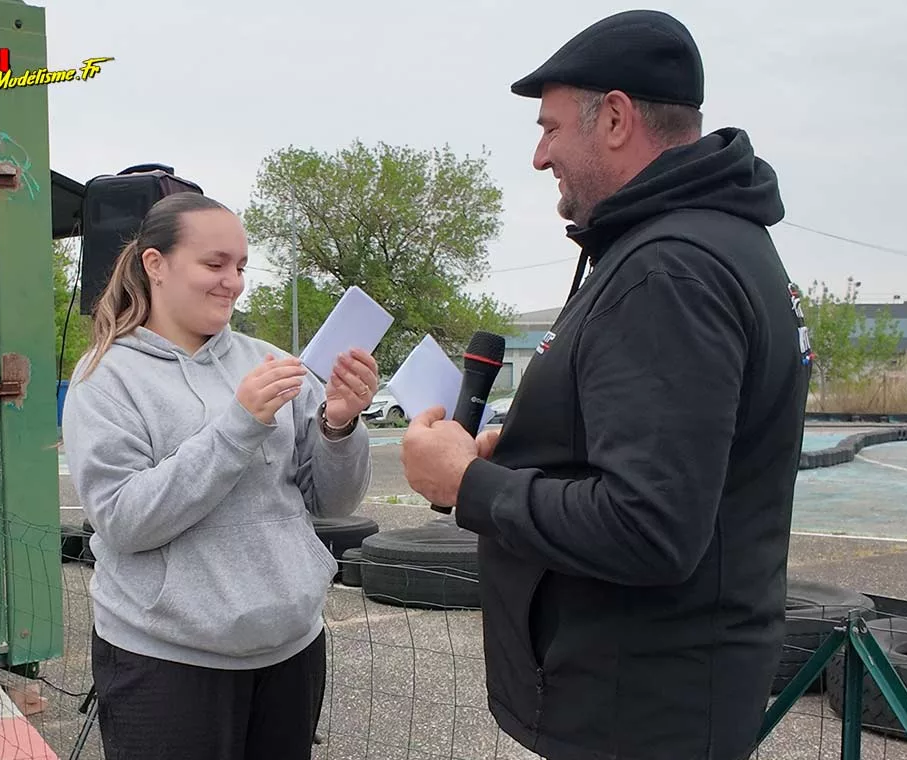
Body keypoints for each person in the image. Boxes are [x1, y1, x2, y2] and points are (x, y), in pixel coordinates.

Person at [401, 9, 811, 760]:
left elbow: (650, 527)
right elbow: (670, 458)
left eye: (551, 128)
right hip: (667, 698)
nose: (538, 155)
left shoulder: (668, 268)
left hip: (637, 712)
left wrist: (468, 484)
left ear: (616, 117)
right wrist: (521, 452)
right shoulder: (718, 238)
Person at [61, 192, 377, 759]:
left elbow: (334, 501)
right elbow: (122, 522)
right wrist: (238, 426)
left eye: (240, 266)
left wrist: (339, 425)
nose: (232, 281)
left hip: (291, 650)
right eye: (214, 264)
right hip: (167, 659)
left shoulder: (271, 362)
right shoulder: (107, 377)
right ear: (155, 265)